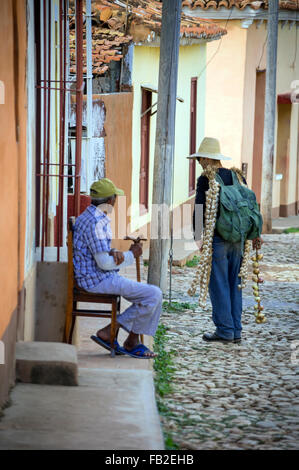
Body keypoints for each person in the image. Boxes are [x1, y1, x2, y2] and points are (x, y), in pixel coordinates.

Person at [73, 178, 162, 358]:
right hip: (97, 279)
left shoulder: (88, 216)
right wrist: (132, 255)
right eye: (115, 198)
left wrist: (113, 250)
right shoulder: (96, 223)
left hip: (95, 276)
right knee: (153, 295)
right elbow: (104, 264)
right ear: (110, 201)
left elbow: (95, 250)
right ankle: (123, 338)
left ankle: (119, 334)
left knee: (148, 295)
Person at [189, 137, 263, 343]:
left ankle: (225, 331)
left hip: (218, 240)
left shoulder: (206, 178)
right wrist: (256, 233)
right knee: (235, 283)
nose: (199, 163)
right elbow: (251, 206)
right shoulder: (238, 177)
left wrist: (199, 238)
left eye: (200, 159)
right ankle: (236, 331)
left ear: (206, 158)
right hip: (239, 240)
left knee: (219, 284)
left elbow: (199, 210)